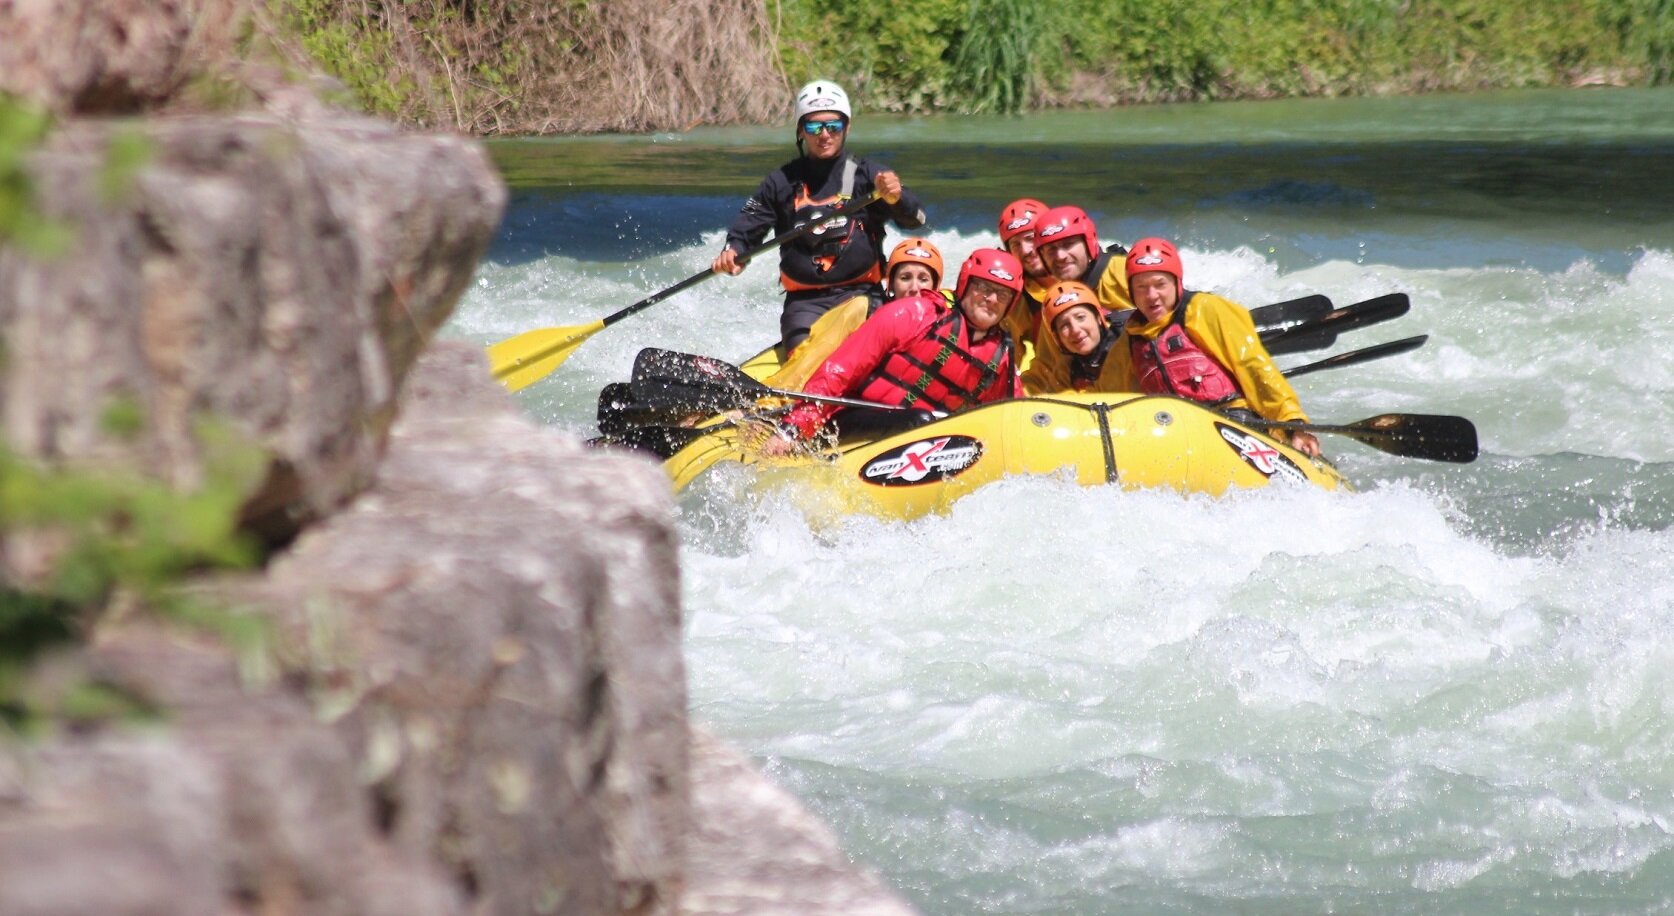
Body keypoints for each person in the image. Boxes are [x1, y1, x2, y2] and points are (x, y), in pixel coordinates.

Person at [711, 80, 928, 352]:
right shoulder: (780, 182)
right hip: (805, 305)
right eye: (814, 126)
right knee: (807, 358)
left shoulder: (869, 175)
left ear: (846, 127)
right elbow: (747, 228)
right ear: (801, 131)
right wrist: (733, 251)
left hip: (862, 296)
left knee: (869, 357)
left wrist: (896, 198)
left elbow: (916, 218)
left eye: (833, 126)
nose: (824, 134)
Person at [763, 249, 1027, 452]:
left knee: (933, 428)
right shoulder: (912, 314)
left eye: (1002, 294)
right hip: (851, 424)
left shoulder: (1002, 358)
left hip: (928, 446)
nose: (991, 299)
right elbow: (839, 372)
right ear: (965, 285)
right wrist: (792, 430)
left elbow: (1012, 420)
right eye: (984, 288)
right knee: (921, 420)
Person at [1109, 238, 1323, 457]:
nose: (1151, 296)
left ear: (1176, 283)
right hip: (1176, 437)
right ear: (1131, 293)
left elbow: (1254, 367)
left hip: (1233, 426)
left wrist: (1292, 422)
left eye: (1160, 284)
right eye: (1141, 287)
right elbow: (1106, 400)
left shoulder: (1205, 310)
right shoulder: (1128, 342)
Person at [764, 237, 949, 391]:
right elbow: (830, 359)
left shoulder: (950, 322)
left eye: (923, 279)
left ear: (935, 286)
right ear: (891, 284)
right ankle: (773, 397)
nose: (914, 288)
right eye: (905, 278)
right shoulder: (867, 312)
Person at [1023, 280, 1123, 392]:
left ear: (1099, 318)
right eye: (1064, 325)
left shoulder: (1127, 347)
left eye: (1081, 317)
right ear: (1058, 338)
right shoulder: (1066, 371)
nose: (1075, 330)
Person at [1033, 205, 1133, 312]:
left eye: (1068, 245)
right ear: (1042, 256)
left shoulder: (1126, 272)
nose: (1060, 256)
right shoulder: (1056, 299)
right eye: (1051, 249)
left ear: (1088, 243)